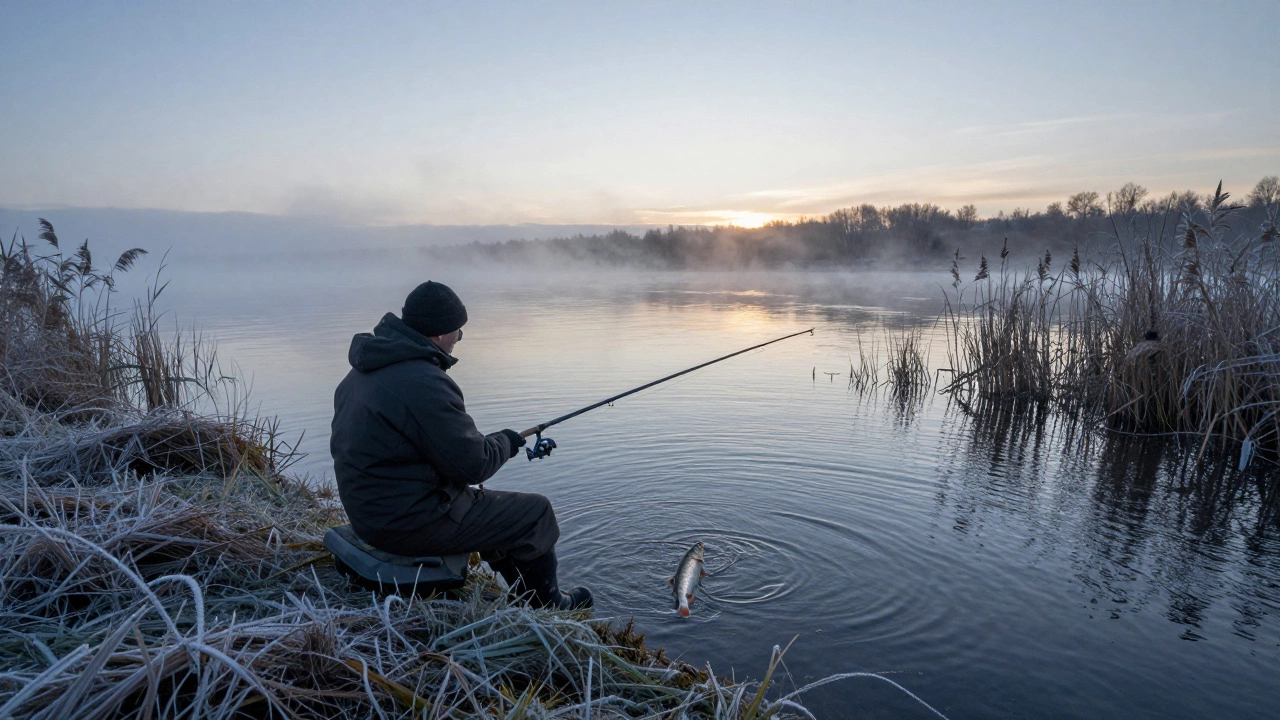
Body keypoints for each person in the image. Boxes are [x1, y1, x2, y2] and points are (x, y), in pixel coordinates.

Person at [330, 280, 592, 609]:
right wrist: (507, 442)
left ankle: (523, 594)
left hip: (370, 513)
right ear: (441, 333)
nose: (459, 339)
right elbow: (473, 465)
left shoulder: (363, 372)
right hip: (404, 524)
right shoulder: (424, 382)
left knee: (491, 506)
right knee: (534, 513)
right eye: (458, 330)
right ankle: (551, 606)